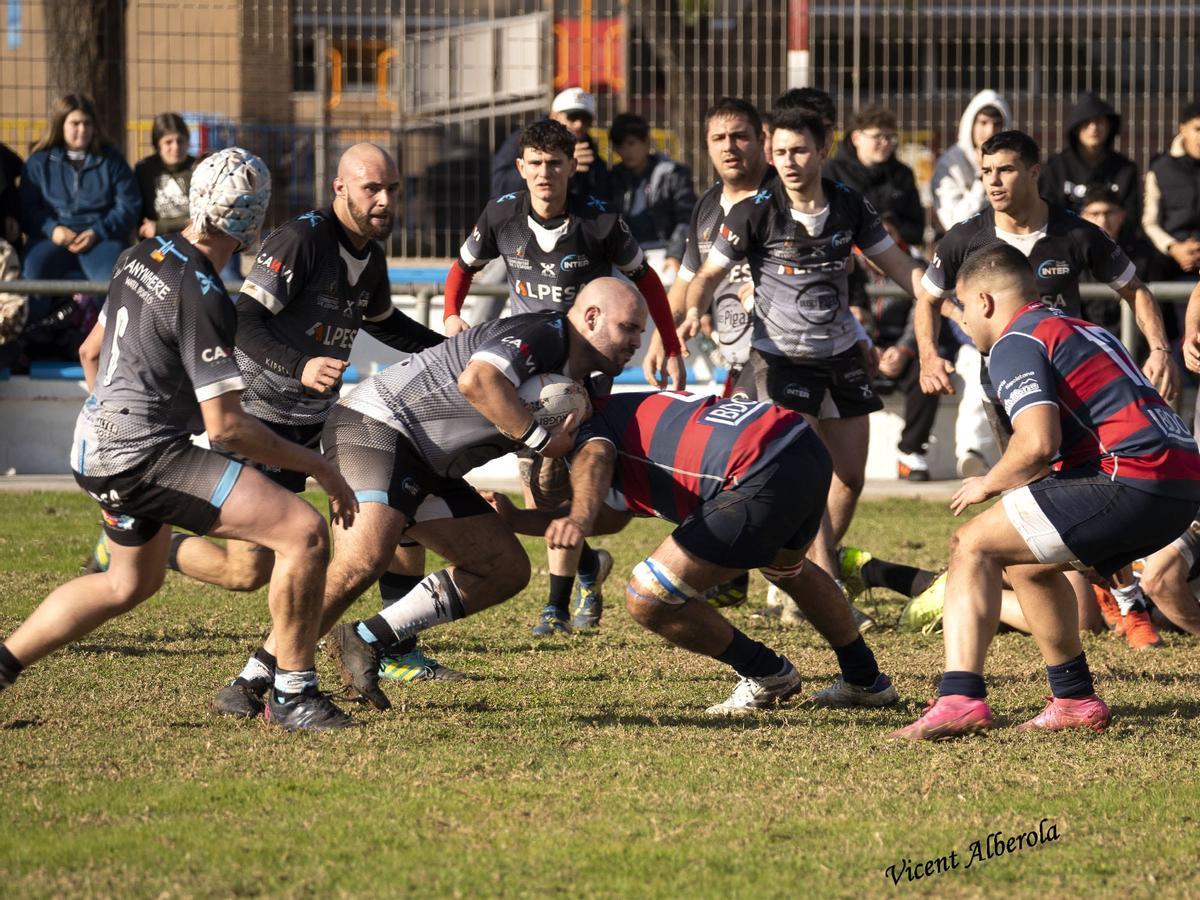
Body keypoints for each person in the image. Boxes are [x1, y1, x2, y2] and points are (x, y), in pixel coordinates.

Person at [0, 148, 360, 731]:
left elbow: (91, 353)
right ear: (252, 221)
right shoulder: (204, 293)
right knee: (305, 533)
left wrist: (120, 417)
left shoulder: (138, 254)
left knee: (127, 583)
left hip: (93, 447)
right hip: (145, 456)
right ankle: (292, 694)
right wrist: (319, 468)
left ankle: (2, 664)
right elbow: (227, 428)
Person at [129, 144, 444, 718]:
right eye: (372, 188)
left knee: (382, 521)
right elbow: (243, 321)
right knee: (246, 570)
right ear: (339, 189)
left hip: (319, 424)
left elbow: (385, 324)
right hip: (260, 421)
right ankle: (155, 548)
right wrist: (299, 365)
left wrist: (455, 350)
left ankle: (302, 666)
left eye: (392, 190)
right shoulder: (301, 240)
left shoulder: (369, 257)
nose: (384, 200)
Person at [893, 244, 1200, 740]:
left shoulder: (1016, 340)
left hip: (1134, 475)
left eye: (964, 308)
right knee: (1027, 562)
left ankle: (959, 698)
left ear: (986, 302)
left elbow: (1037, 444)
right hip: (1182, 481)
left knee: (970, 544)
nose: (964, 322)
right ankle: (1074, 699)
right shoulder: (1083, 328)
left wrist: (986, 483)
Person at [300, 278, 647, 711]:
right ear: (592, 317)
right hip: (377, 425)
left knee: (504, 568)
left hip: (429, 464)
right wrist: (541, 439)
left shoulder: (593, 383)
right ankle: (263, 677)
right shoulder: (547, 332)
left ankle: (368, 638)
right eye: (629, 328)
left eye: (640, 332)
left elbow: (594, 456)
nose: (637, 342)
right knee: (362, 561)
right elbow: (478, 380)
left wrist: (585, 510)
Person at [487, 390, 899, 716]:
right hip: (796, 444)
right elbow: (610, 519)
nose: (537, 457)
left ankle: (767, 673)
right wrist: (515, 519)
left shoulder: (591, 438)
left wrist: (576, 514)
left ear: (564, 422)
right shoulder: (617, 413)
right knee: (786, 569)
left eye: (536, 443)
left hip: (757, 467)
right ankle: (865, 679)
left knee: (648, 597)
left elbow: (594, 457)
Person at [681, 108, 925, 628]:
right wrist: (694, 309)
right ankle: (823, 588)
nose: (788, 162)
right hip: (779, 361)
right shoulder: (755, 211)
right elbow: (706, 273)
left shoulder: (848, 205)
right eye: (781, 152)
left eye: (799, 151)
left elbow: (902, 271)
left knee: (850, 478)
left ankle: (796, 576)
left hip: (840, 356)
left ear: (823, 151)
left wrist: (943, 306)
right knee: (805, 476)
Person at [443, 119, 684, 636]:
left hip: (581, 370)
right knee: (541, 489)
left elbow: (648, 282)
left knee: (558, 480)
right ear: (521, 167)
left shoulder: (600, 222)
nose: (545, 173)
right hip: (527, 367)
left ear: (572, 166)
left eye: (556, 163)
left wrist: (669, 340)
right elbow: (462, 267)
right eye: (536, 163)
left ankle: (555, 606)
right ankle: (588, 569)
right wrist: (450, 314)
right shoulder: (500, 214)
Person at [931, 90, 1010, 476]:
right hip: (960, 283)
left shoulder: (1016, 163)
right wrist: (986, 176)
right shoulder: (950, 164)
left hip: (1004, 278)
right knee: (974, 359)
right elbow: (955, 219)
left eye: (996, 123)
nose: (989, 129)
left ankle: (998, 454)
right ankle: (972, 452)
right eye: (982, 122)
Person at [18, 93, 140, 287]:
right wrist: (52, 230)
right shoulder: (39, 162)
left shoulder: (112, 160)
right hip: (51, 238)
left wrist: (97, 232)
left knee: (114, 284)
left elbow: (129, 205)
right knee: (33, 275)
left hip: (102, 239)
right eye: (75, 123)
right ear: (61, 125)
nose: (82, 130)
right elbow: (26, 208)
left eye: (87, 123)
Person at [607, 112, 697, 284]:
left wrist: (675, 255)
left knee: (670, 285)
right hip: (627, 255)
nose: (626, 151)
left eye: (632, 143)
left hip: (664, 251)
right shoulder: (613, 178)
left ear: (646, 142)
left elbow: (686, 218)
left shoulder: (673, 173)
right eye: (620, 146)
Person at [1039, 93, 1140, 236]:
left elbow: (1131, 217)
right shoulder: (1056, 167)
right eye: (1086, 123)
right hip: (1065, 243)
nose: (1094, 128)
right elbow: (1046, 212)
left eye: (1099, 122)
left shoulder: (1125, 169)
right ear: (1076, 128)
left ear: (1110, 127)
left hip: (1115, 245)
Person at [825, 106, 924, 249]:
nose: (885, 143)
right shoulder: (832, 171)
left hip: (893, 253)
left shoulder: (902, 174)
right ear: (856, 138)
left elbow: (916, 230)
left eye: (890, 137)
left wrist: (894, 229)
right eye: (877, 137)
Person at [491, 87, 609, 202]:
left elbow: (598, 196)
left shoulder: (588, 150)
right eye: (572, 117)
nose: (579, 124)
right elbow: (500, 185)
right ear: (554, 115)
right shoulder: (524, 138)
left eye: (586, 119)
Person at [1143, 100, 1200, 278]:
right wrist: (1174, 247)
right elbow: (1150, 222)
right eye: (1197, 129)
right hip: (1168, 258)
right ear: (1182, 129)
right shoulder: (1160, 168)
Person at [134, 113, 196, 239]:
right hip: (155, 243)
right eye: (168, 142)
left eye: (180, 141)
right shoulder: (144, 170)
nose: (176, 147)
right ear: (157, 145)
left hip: (192, 239)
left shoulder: (198, 168)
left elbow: (201, 219)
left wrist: (160, 227)